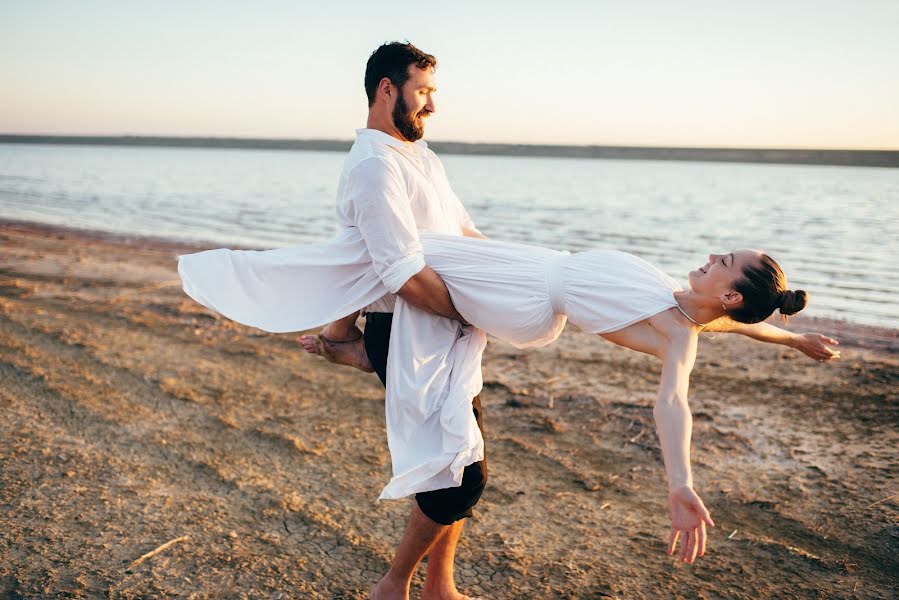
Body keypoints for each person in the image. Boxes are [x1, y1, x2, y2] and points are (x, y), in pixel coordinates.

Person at [178, 229, 840, 569]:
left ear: (727, 290)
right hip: (523, 265)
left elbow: (673, 404)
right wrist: (788, 339)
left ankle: (333, 336)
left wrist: (679, 483)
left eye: (724, 259)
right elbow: (722, 316)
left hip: (520, 292)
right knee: (396, 262)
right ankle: (347, 345)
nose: (711, 252)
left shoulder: (676, 337)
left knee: (391, 261)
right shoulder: (679, 298)